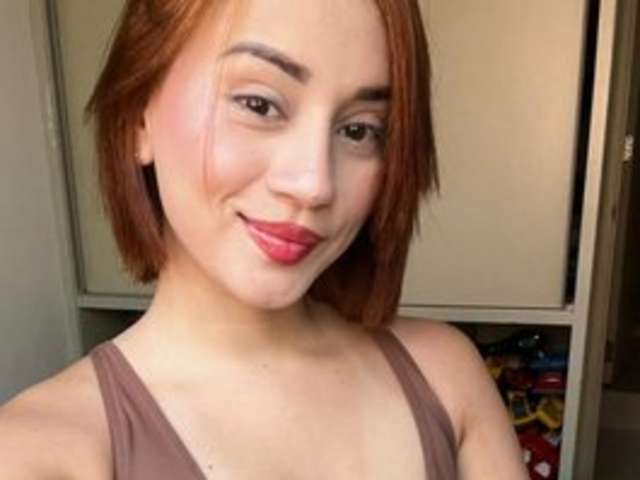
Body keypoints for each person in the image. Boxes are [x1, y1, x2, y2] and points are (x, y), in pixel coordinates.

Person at [0, 0, 528, 478]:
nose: (314, 184)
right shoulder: (37, 452)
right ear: (139, 115)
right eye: (258, 104)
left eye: (360, 130)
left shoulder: (447, 375)